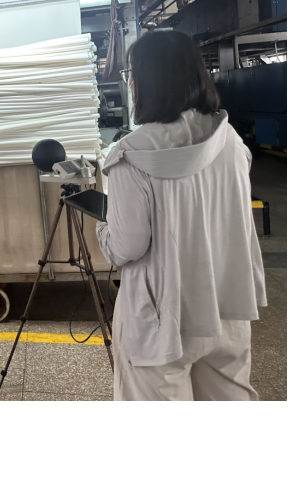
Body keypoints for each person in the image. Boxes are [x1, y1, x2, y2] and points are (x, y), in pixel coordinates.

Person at [95, 29, 267, 401]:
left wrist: (103, 230)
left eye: (132, 75)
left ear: (146, 82)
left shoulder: (131, 154)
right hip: (226, 305)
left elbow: (128, 245)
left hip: (161, 318)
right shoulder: (231, 142)